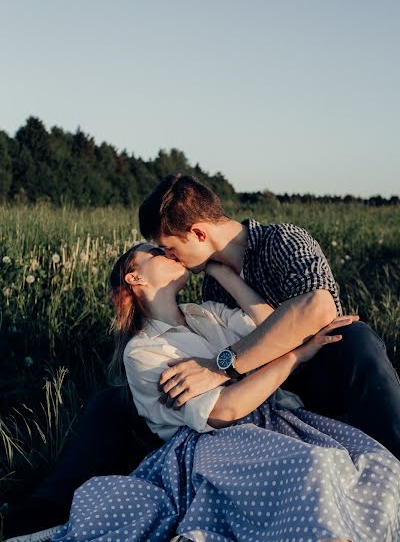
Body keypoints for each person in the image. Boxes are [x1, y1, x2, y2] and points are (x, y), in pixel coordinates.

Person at [4, 173, 400, 539]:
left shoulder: (282, 242)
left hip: (308, 375)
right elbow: (222, 369)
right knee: (113, 400)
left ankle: (392, 456)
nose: (169, 255)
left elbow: (318, 310)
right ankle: (44, 509)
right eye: (159, 251)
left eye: (168, 246)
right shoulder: (201, 301)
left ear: (196, 232)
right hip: (231, 399)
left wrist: (223, 364)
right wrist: (223, 310)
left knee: (357, 338)